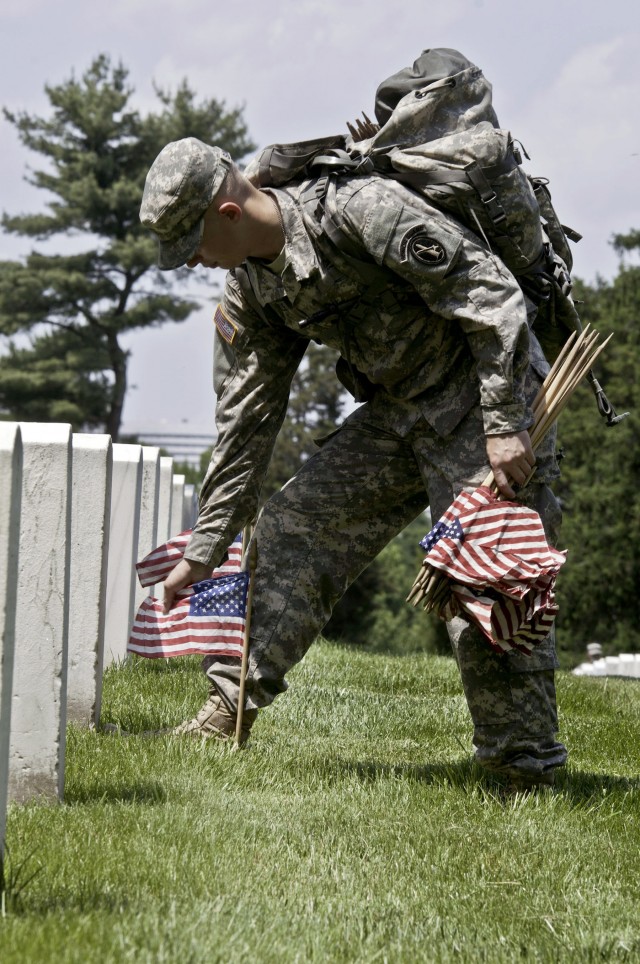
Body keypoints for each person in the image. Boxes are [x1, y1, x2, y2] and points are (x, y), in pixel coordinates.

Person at [139, 134, 568, 789]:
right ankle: (229, 707)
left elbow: (494, 299)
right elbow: (245, 421)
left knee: (490, 573)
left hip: (484, 400)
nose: (193, 262)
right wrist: (206, 544)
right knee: (292, 526)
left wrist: (507, 425)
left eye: (191, 244)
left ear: (227, 213)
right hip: (401, 410)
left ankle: (522, 761)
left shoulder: (362, 211)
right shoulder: (252, 287)